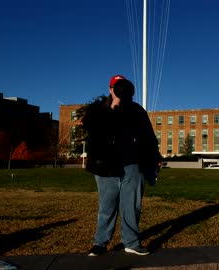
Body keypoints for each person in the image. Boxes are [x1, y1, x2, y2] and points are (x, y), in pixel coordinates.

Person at [82, 74, 161, 256]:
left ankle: (131, 242)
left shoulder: (136, 110)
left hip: (132, 165)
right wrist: (112, 108)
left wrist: (154, 158)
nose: (120, 90)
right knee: (107, 206)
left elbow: (148, 136)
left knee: (131, 206)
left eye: (122, 87)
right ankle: (100, 243)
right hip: (106, 167)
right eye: (116, 87)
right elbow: (92, 128)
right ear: (110, 89)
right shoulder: (97, 110)